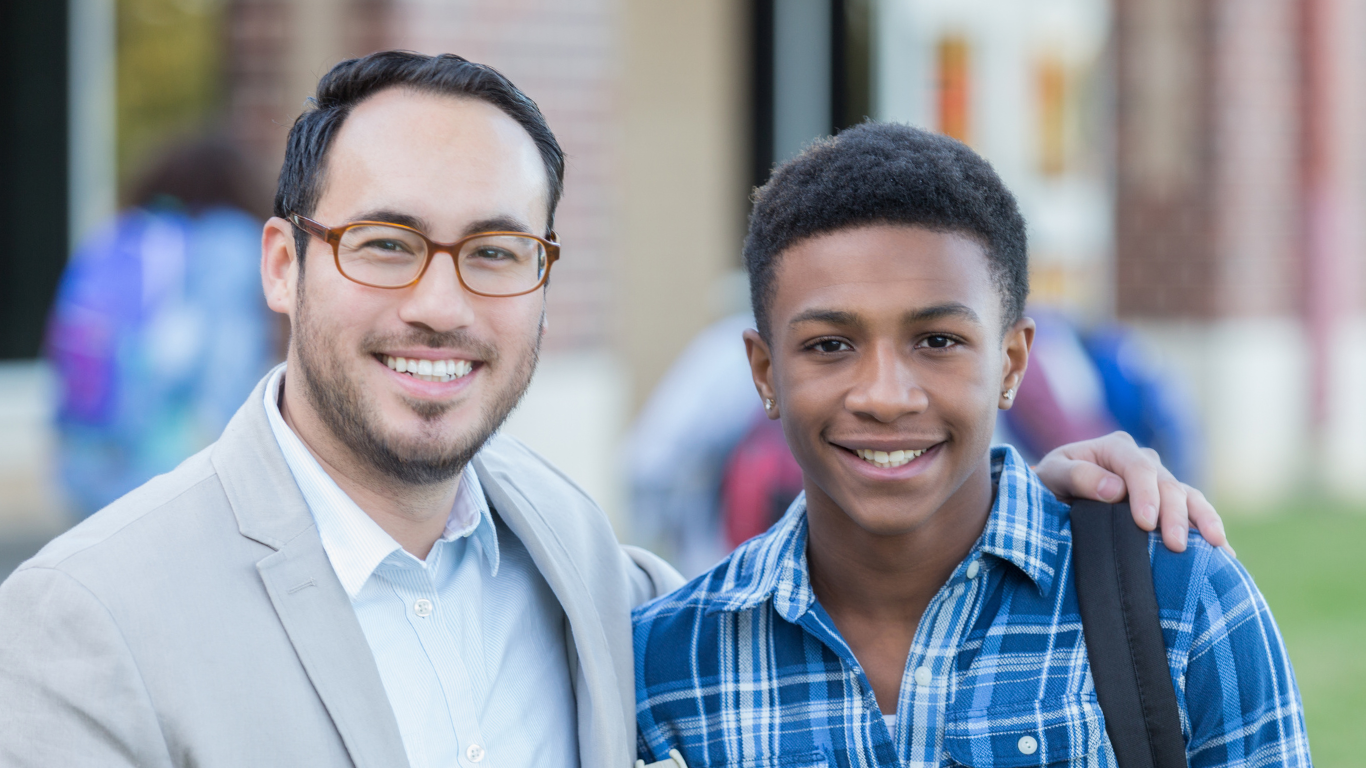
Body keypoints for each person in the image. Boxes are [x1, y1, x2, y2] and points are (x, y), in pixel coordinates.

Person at [0, 52, 1223, 767]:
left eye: (492, 252)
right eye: (384, 244)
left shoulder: (596, 584)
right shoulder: (89, 619)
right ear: (283, 263)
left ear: (540, 280)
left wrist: (1026, 492)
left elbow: (823, 574)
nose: (440, 303)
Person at [634, 124, 1308, 767]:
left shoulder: (1178, 602)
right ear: (765, 374)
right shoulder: (665, 668)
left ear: (1011, 363)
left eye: (938, 341)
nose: (885, 395)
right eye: (830, 346)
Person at [44, 138, 274, 516]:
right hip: (175, 475)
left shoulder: (119, 234)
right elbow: (228, 364)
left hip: (82, 468)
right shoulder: (229, 241)